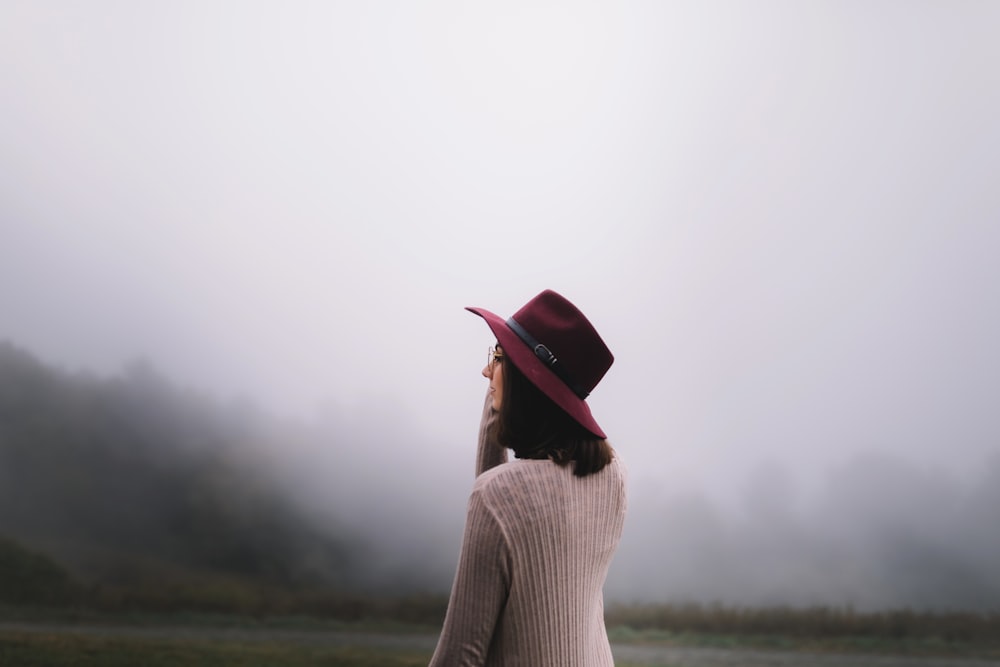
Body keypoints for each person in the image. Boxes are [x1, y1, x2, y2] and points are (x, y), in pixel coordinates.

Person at [429, 289, 627, 666]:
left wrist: (504, 384)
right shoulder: (615, 477)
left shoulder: (497, 497)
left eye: (497, 359)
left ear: (525, 381)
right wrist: (504, 381)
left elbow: (460, 655)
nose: (486, 371)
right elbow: (504, 502)